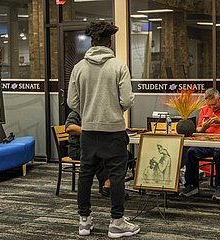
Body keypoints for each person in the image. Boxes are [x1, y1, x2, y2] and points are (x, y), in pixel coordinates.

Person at [67, 21, 139, 238]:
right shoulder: (118, 66)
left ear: (92, 41)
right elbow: (126, 100)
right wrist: (113, 110)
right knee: (117, 176)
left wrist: (89, 111)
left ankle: (84, 222)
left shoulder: (79, 67)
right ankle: (116, 222)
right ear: (109, 41)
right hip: (114, 130)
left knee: (85, 175)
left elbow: (72, 101)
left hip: (88, 131)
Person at [179, 88, 220, 200]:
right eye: (209, 105)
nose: (212, 108)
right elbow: (198, 130)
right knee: (191, 152)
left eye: (214, 104)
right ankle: (192, 186)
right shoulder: (205, 109)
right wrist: (204, 127)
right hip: (207, 142)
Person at [64, 110, 111, 197]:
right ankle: (108, 184)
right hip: (77, 149)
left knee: (122, 155)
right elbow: (69, 128)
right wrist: (90, 131)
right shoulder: (76, 113)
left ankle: (112, 183)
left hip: (92, 147)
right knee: (98, 155)